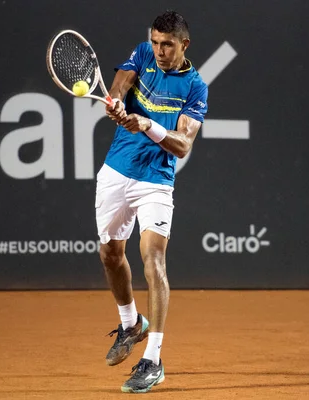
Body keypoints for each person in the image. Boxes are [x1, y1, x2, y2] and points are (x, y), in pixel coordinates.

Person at [95, 10, 208, 394]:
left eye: (168, 45)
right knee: (110, 253)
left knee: (153, 260)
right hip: (116, 170)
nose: (159, 51)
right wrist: (114, 102)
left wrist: (148, 124)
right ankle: (131, 324)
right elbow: (120, 85)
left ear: (184, 45)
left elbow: (182, 145)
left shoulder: (195, 86)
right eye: (156, 42)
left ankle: (153, 359)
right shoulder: (143, 53)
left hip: (155, 181)